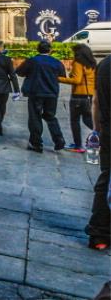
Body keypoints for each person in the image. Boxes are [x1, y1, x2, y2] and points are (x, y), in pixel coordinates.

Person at [16, 41, 67, 153]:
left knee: (35, 117)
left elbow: (19, 72)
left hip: (36, 92)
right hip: (51, 93)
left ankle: (36, 143)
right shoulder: (56, 62)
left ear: (38, 49)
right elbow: (62, 75)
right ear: (50, 50)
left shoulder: (32, 61)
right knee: (50, 116)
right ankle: (59, 139)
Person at [85, 52, 110, 250]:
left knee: (107, 179)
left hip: (108, 131)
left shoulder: (105, 64)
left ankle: (99, 234)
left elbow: (96, 102)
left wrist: (96, 131)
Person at [59, 45, 98, 152]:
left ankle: (78, 145)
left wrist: (59, 79)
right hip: (89, 96)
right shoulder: (92, 64)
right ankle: (104, 137)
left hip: (78, 96)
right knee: (88, 120)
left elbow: (77, 80)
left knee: (74, 121)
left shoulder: (78, 63)